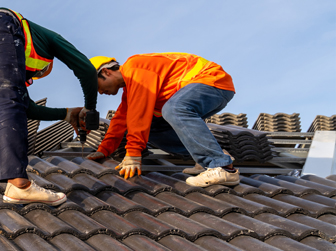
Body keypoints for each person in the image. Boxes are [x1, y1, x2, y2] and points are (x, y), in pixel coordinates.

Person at [0, 8, 98, 205]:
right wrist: (89, 110)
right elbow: (87, 70)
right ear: (45, 65)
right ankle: (18, 183)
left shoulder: (12, 57)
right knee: (10, 99)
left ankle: (15, 182)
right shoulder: (49, 39)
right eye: (35, 74)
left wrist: (67, 114)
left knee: (10, 100)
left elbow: (28, 108)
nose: (32, 78)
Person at [87, 53, 239, 187]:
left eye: (96, 87)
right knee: (152, 127)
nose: (100, 92)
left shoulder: (135, 68)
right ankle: (209, 154)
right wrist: (104, 150)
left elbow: (139, 112)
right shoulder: (130, 89)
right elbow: (121, 119)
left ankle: (222, 167)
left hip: (212, 81)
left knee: (173, 109)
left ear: (106, 72)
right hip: (202, 90)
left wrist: (133, 153)